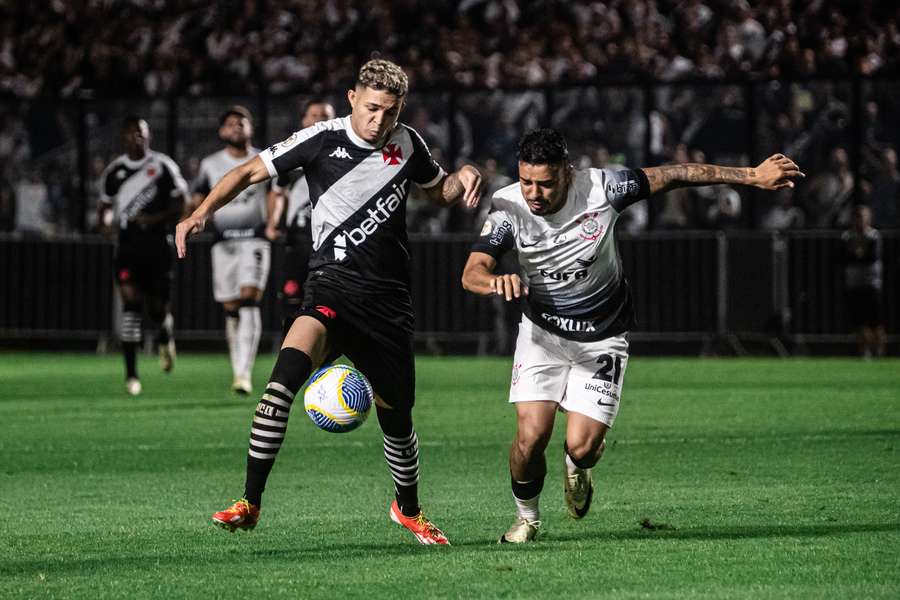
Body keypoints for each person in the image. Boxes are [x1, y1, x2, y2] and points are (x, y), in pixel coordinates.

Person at [176, 59, 482, 544]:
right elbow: (248, 171)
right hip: (330, 290)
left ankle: (408, 510)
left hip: (388, 304)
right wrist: (200, 215)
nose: (380, 121)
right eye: (373, 108)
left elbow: (441, 192)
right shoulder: (322, 138)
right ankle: (250, 503)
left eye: (391, 111)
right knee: (279, 387)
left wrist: (463, 173)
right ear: (353, 99)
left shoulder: (408, 144)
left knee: (397, 419)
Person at [461, 129, 803, 543]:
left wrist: (751, 175)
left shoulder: (603, 188)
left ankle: (578, 468)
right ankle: (526, 519)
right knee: (530, 438)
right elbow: (472, 271)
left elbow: (676, 174)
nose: (534, 192)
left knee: (582, 447)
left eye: (546, 183)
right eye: (527, 181)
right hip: (543, 335)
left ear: (568, 174)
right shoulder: (508, 205)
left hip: (602, 336)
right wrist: (494, 281)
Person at [98, 116, 188, 395]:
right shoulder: (114, 172)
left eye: (142, 132)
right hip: (127, 247)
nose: (137, 137)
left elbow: (181, 202)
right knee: (131, 304)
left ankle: (165, 335)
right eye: (132, 132)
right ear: (123, 137)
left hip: (159, 245)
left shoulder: (162, 166)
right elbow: (104, 206)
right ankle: (131, 375)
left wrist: (153, 219)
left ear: (149, 136)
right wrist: (105, 224)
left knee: (157, 309)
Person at [190, 105, 274, 395]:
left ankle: (244, 372)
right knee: (230, 307)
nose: (236, 127)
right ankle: (237, 368)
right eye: (230, 123)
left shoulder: (264, 159)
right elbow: (199, 198)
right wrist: (194, 219)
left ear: (251, 128)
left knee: (249, 298)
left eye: (242, 122)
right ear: (221, 131)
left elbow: (275, 192)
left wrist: (273, 223)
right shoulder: (211, 164)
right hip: (223, 242)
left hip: (255, 239)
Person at [265, 99, 336, 330]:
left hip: (332, 239)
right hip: (298, 237)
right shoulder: (290, 155)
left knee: (328, 299)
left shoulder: (343, 155)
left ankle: (326, 354)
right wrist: (273, 223)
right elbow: (278, 193)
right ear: (304, 120)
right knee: (292, 295)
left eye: (325, 115)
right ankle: (292, 352)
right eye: (314, 115)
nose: (319, 119)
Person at [842, 205, 886, 358]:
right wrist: (858, 252)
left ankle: (879, 350)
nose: (859, 221)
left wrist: (858, 252)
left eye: (862, 217)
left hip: (871, 282)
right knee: (860, 321)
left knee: (875, 321)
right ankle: (864, 350)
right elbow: (847, 257)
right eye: (856, 217)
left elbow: (869, 257)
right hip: (854, 282)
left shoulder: (873, 235)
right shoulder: (847, 236)